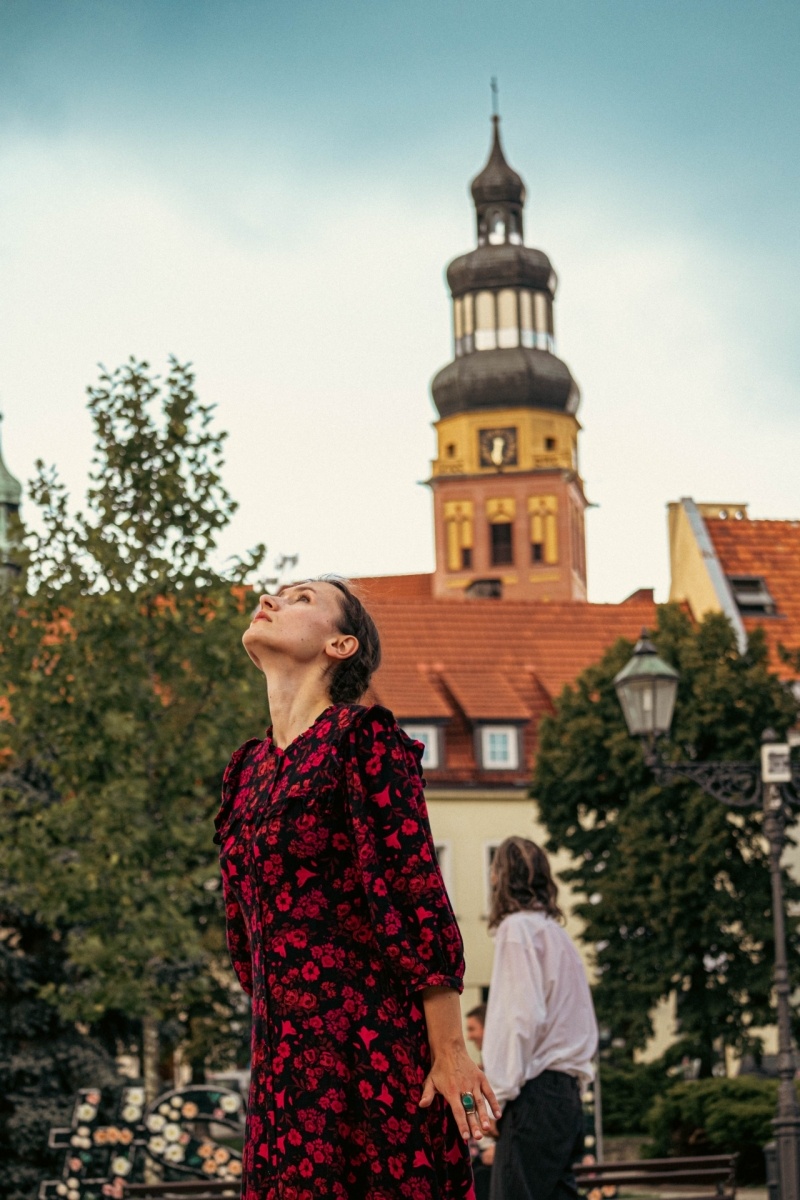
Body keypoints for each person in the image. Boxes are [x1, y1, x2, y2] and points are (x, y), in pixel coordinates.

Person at [214, 577, 500, 1199]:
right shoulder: (247, 772)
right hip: (282, 1066)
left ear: (339, 646)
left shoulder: (363, 741)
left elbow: (416, 892)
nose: (272, 601)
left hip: (368, 1053)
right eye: (277, 594)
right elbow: (245, 937)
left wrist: (450, 1049)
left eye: (301, 599)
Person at [482, 837, 598, 1200]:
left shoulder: (516, 931)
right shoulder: (558, 936)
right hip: (566, 1095)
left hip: (534, 1096)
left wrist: (496, 1098)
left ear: (500, 878)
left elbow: (518, 1018)